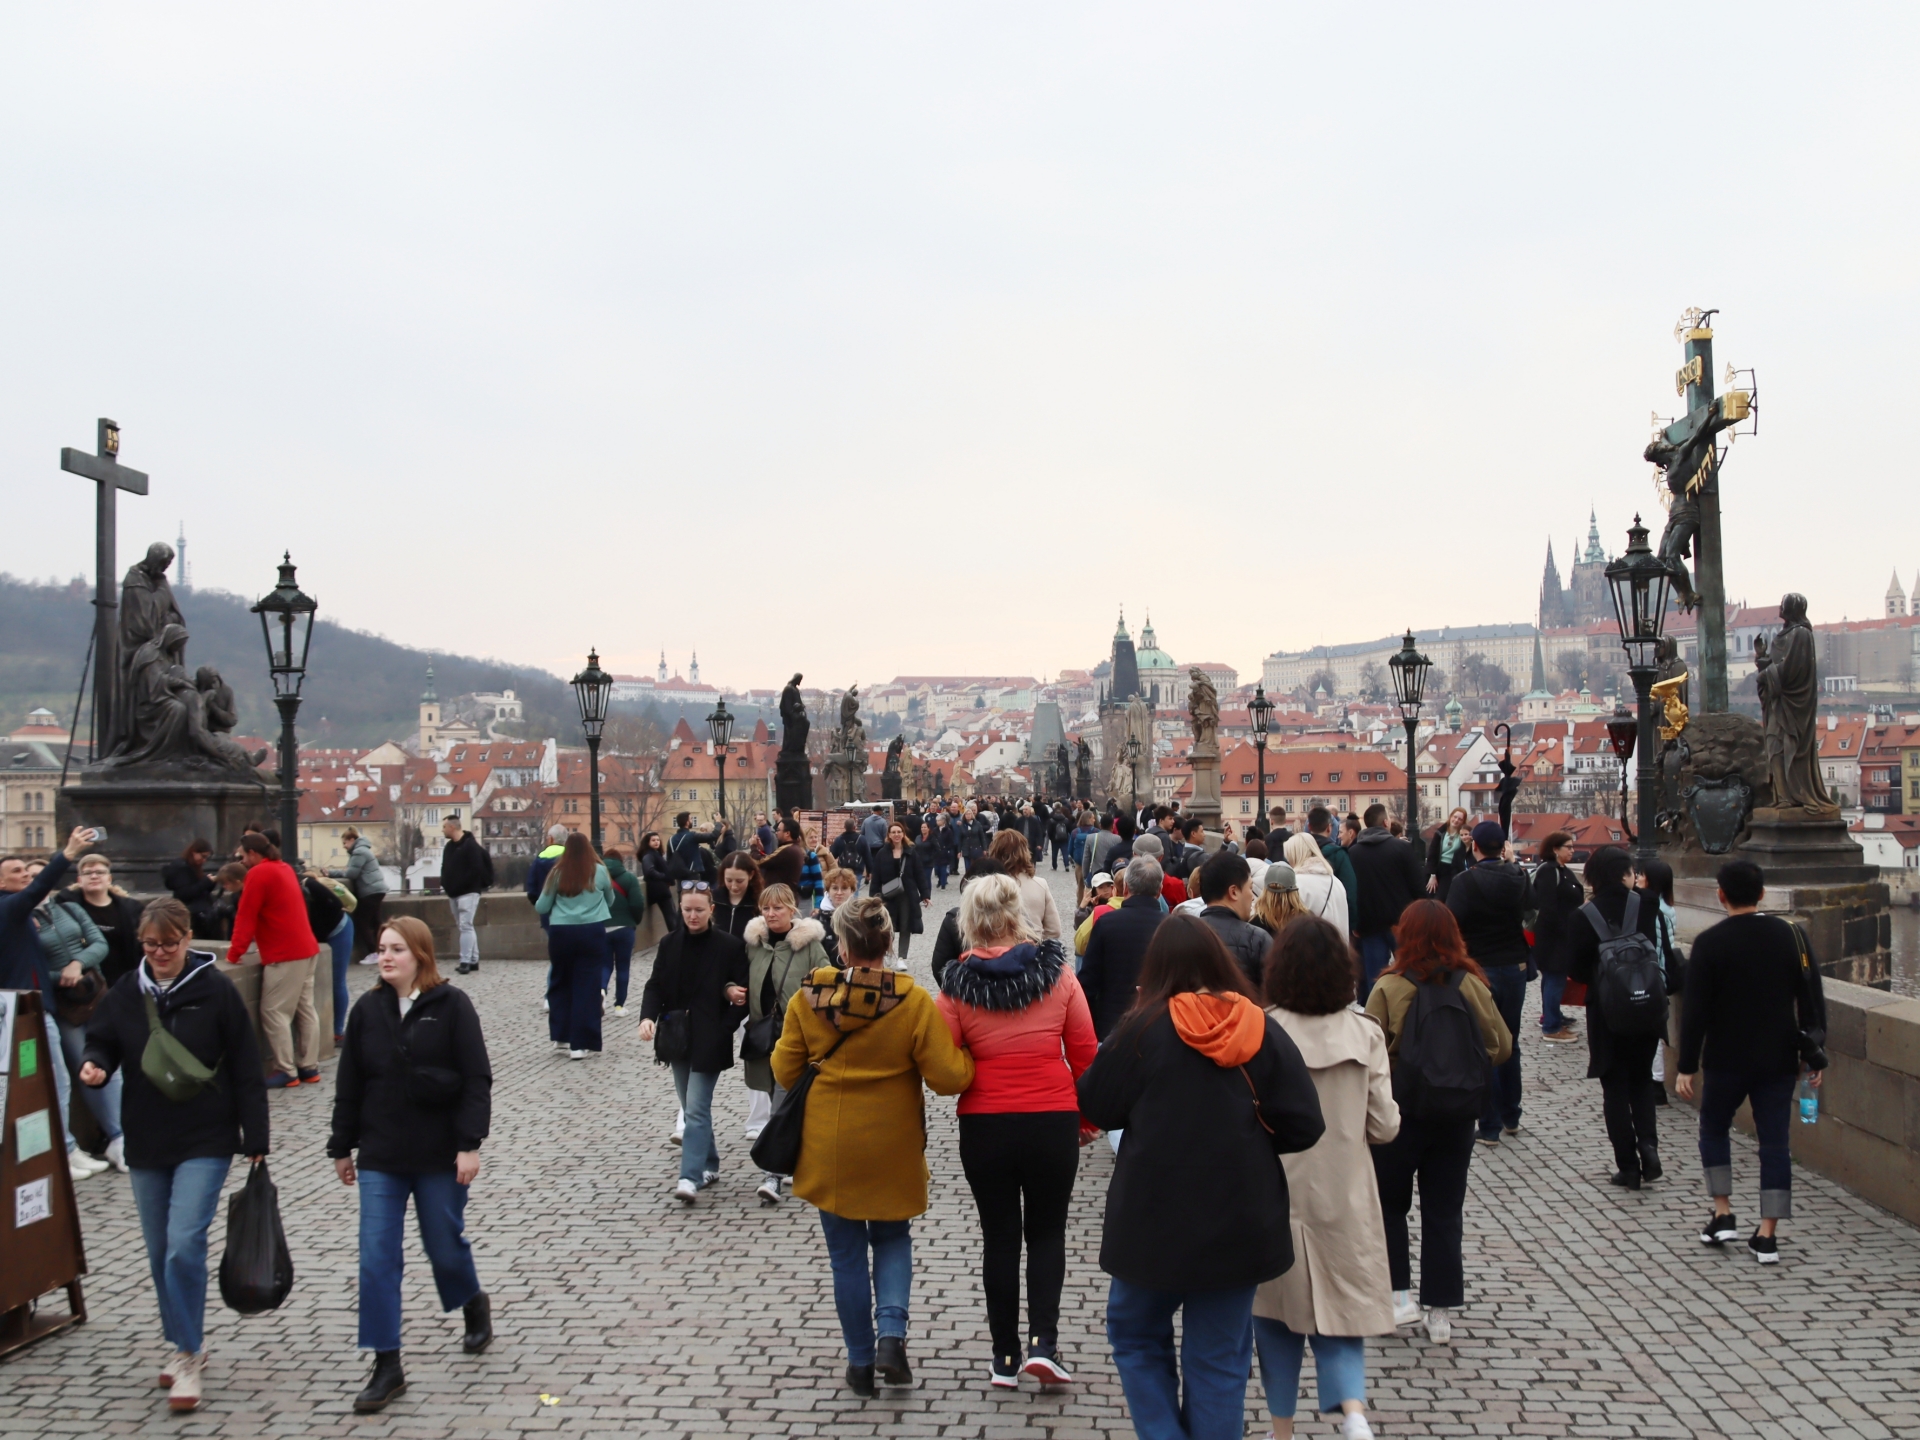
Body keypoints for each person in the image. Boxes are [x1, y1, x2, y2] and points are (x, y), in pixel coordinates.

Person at [1076, 915, 1325, 1440]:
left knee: (1136, 1335)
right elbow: (1305, 1123)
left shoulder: (1143, 1027)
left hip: (1151, 1220)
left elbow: (1096, 1103)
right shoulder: (1259, 1026)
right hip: (1240, 1220)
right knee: (1218, 1359)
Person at [771, 897, 974, 1396]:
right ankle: (891, 1337)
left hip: (828, 1142)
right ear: (887, 943)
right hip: (892, 1140)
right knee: (891, 1239)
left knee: (844, 1255)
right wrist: (969, 1057)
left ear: (840, 946)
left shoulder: (808, 999)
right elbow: (947, 1079)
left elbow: (782, 1071)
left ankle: (860, 1363)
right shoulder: (912, 1001)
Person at [79, 898, 268, 1414]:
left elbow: (248, 1066)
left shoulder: (217, 992)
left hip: (206, 1134)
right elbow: (102, 1041)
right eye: (150, 944)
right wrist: (94, 1065)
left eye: (169, 943)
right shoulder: (125, 991)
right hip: (147, 1135)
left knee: (185, 1242)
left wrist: (257, 1137)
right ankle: (184, 1337)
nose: (160, 953)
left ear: (187, 938)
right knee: (161, 1247)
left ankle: (188, 1353)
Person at [935, 874, 1097, 1387]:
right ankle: (1043, 1344)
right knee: (1048, 1233)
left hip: (985, 1124)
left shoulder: (956, 986)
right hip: (1051, 1118)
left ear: (970, 922)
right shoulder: (1059, 975)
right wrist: (1087, 1118)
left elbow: (943, 1068)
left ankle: (1003, 1355)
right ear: (1017, 914)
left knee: (999, 1239)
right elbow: (1086, 1053)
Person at [330, 916, 494, 1413]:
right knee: (377, 1257)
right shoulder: (367, 1010)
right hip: (381, 1154)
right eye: (381, 949)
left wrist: (470, 1144)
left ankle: (471, 1300)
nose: (385, 957)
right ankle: (386, 1363)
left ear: (420, 955)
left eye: (396, 949)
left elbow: (476, 1079)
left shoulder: (452, 1006)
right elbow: (349, 1085)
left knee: (443, 1245)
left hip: (438, 1152)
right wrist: (342, 1145)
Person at [1255, 916, 1399, 1440]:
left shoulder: (1263, 1031)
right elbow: (1384, 1125)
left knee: (1273, 1318)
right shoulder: (1364, 1035)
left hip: (1278, 1192)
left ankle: (1282, 1429)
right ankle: (1354, 1411)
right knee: (1342, 1312)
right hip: (1344, 1191)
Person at [1365, 900, 1512, 1344]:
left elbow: (1369, 1047)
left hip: (1400, 1112)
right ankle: (1441, 1310)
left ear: (1403, 935)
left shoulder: (1390, 987)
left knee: (1390, 1206)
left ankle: (1396, 1298)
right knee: (1444, 1211)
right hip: (1455, 1113)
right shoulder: (1470, 983)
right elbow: (1501, 1046)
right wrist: (1462, 1064)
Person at [1677, 859, 1824, 1262]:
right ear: (1762, 894)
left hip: (1725, 1057)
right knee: (1775, 1143)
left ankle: (1723, 1212)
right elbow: (1812, 1002)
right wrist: (1815, 1058)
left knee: (1714, 1129)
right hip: (1778, 1057)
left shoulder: (1709, 943)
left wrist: (1686, 1064)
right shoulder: (1792, 936)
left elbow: (1695, 1014)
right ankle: (1768, 1234)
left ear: (1720, 894)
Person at [1566, 845, 1677, 1189]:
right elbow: (1663, 950)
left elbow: (1577, 969)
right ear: (1625, 873)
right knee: (1642, 1079)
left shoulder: (1583, 916)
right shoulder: (1646, 903)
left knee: (1614, 1087)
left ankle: (1628, 1166)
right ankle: (1650, 1146)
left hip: (1608, 1012)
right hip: (1647, 1007)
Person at [638, 882, 749, 1202]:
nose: (692, 915)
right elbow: (655, 985)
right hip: (676, 1036)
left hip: (709, 1038)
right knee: (690, 1106)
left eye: (699, 909)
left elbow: (743, 993)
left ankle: (689, 1176)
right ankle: (709, 1163)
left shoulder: (729, 946)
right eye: (687, 909)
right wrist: (647, 1017)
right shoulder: (669, 943)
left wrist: (724, 1028)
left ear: (711, 909)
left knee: (696, 1109)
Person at [1445, 821, 1533, 1148]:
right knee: (1512, 1040)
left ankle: (1490, 1124)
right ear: (1502, 847)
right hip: (1515, 964)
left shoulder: (1465, 881)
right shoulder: (1519, 877)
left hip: (1479, 967)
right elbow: (1531, 913)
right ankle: (1512, 1114)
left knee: (1484, 1044)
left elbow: (1453, 925)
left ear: (1475, 847)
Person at [741, 883, 829, 1202]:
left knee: (779, 1103)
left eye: (778, 908)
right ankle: (795, 1157)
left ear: (792, 909)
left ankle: (773, 1175)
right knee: (774, 1096)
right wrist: (731, 989)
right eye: (766, 908)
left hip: (795, 1039)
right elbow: (739, 977)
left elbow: (826, 984)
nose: (771, 914)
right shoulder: (755, 943)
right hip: (762, 1035)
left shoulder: (809, 944)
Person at [38, 868, 121, 1174]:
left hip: (94, 993)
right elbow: (24, 967)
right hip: (63, 1005)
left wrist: (78, 964)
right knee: (79, 1068)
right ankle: (71, 1148)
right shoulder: (21, 919)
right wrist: (60, 977)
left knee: (111, 1064)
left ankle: (120, 1137)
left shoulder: (68, 908)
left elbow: (99, 943)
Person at [228, 832, 322, 1088]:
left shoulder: (259, 874)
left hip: (285, 954)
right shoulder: (284, 868)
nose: (242, 861)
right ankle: (309, 1066)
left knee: (274, 1011)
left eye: (243, 856)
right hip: (307, 948)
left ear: (254, 854)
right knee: (305, 1009)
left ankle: (286, 1070)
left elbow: (245, 917)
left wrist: (234, 953)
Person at [534, 833, 614, 1058]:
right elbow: (610, 900)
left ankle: (561, 1036)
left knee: (560, 982)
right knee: (587, 985)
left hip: (561, 932)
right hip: (591, 932)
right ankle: (580, 1043)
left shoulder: (557, 872)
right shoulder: (599, 871)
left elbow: (542, 906)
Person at [1079, 856, 1167, 1040]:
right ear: (1159, 891)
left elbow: (1088, 983)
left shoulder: (1106, 924)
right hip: (1159, 1028)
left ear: (1125, 888)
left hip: (1111, 1027)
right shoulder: (1173, 927)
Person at [1347, 804, 1426, 999]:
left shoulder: (1354, 852)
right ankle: (1409, 1007)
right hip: (1402, 921)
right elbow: (1417, 886)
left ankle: (1375, 1016)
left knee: (1375, 978)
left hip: (1369, 923)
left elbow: (1351, 889)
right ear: (1385, 822)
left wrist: (1355, 922)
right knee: (1410, 970)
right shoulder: (1402, 848)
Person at [1528, 830, 1585, 1043]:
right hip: (1554, 937)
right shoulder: (1549, 871)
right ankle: (1552, 1026)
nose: (1572, 850)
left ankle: (1552, 1016)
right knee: (1555, 979)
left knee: (1553, 979)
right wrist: (1567, 931)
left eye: (1572, 847)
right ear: (1555, 849)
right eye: (1568, 847)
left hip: (1560, 934)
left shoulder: (1562, 870)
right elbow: (1548, 907)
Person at [1637, 858, 1682, 1103]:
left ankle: (1655, 1083)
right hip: (1662, 974)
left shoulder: (1654, 909)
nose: (1637, 877)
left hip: (1654, 976)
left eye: (1641, 874)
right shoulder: (1668, 907)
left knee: (1651, 1033)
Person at [1193, 850, 1269, 987]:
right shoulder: (1257, 939)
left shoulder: (1182, 936)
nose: (1252, 897)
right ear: (1233, 892)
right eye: (1250, 888)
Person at [299, 864, 354, 1049]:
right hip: (323, 934)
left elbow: (337, 904)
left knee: (336, 981)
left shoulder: (310, 885)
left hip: (339, 930)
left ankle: (337, 1031)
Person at [438, 816, 494, 975]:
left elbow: (476, 870)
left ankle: (465, 961)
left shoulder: (471, 847)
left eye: (444, 826)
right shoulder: (449, 848)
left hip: (468, 892)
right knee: (464, 925)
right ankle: (473, 959)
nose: (442, 830)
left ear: (452, 827)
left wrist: (460, 884)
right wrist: (446, 884)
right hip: (454, 893)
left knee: (465, 925)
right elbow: (445, 868)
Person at [868, 820, 929, 965]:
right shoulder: (882, 853)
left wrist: (925, 894)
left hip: (907, 895)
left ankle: (902, 957)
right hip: (887, 896)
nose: (896, 834)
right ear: (889, 835)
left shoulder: (911, 851)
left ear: (903, 834)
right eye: (893, 832)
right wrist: (873, 898)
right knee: (887, 926)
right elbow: (876, 877)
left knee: (905, 926)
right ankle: (888, 953)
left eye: (899, 832)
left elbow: (919, 874)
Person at [987, 828, 1062, 942]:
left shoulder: (986, 887)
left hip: (998, 951)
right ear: (1025, 852)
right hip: (1033, 947)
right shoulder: (1040, 884)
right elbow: (1054, 930)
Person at [332, 826, 389, 962]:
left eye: (345, 843)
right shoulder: (363, 850)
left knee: (362, 922)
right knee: (376, 923)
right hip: (376, 889)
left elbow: (351, 873)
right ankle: (384, 951)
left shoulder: (359, 852)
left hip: (370, 890)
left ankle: (373, 952)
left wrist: (331, 873)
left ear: (352, 840)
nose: (344, 847)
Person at [1281, 832, 1350, 936]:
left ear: (1294, 856)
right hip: (1338, 947)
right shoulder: (1336, 881)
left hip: (1310, 948)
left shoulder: (1295, 883)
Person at [1305, 807, 1358, 923]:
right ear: (1329, 828)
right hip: (1334, 920)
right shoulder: (1339, 855)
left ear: (1309, 827)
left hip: (1303, 922)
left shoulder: (1299, 852)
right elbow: (1350, 891)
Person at [161, 839, 219, 938]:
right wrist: (205, 882)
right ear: (193, 852)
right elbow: (185, 893)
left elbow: (199, 891)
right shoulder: (181, 868)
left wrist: (210, 883)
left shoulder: (193, 866)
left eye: (206, 858)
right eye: (203, 856)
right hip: (193, 913)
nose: (204, 860)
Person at [1424, 809, 1471, 902]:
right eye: (1455, 817)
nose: (1456, 820)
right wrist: (1432, 875)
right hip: (1437, 868)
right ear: (1450, 817)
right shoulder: (1440, 832)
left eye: (1460, 819)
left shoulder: (1463, 834)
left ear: (1463, 821)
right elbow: (1432, 852)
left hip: (1451, 869)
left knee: (1441, 898)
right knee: (1429, 896)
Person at [638, 830, 679, 934]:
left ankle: (676, 936)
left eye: (658, 840)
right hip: (659, 890)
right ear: (647, 842)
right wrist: (664, 877)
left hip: (661, 889)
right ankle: (676, 937)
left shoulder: (655, 854)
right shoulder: (649, 855)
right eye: (653, 840)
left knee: (672, 914)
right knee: (670, 915)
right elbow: (649, 871)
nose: (656, 842)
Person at [713, 852, 762, 938]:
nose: (734, 886)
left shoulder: (760, 901)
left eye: (739, 881)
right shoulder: (714, 898)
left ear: (751, 875)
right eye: (729, 880)